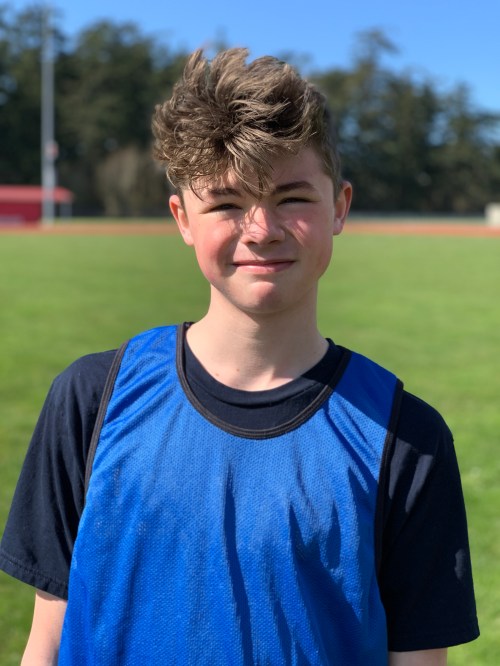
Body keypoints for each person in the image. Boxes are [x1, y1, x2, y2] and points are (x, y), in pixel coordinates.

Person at [0, 48, 478, 665]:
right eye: (226, 203)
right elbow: (48, 639)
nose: (261, 229)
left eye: (292, 198)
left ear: (339, 207)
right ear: (182, 218)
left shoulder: (407, 438)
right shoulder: (91, 399)